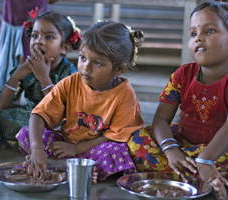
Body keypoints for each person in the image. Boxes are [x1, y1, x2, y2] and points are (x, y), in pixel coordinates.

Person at [127, 2, 228, 200]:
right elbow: (161, 120)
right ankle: (203, 175)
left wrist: (206, 159)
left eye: (210, 30)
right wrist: (171, 150)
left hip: (223, 151)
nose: (198, 38)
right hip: (183, 146)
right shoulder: (182, 75)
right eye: (193, 33)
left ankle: (191, 174)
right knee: (136, 140)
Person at [15, 20, 145, 182]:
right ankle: (71, 168)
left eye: (97, 63)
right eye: (83, 57)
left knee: (117, 152)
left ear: (119, 69)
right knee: (27, 133)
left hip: (96, 149)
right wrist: (37, 150)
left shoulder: (125, 94)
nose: (85, 67)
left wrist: (76, 148)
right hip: (63, 144)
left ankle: (64, 167)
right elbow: (39, 115)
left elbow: (115, 136)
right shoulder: (70, 83)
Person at [0, 10, 80, 148]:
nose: (39, 42)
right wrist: (16, 76)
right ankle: (26, 140)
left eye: (48, 37)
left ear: (64, 48)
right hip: (30, 118)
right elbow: (1, 107)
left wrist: (43, 78)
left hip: (56, 123)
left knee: (65, 127)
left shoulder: (70, 73)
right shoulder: (27, 68)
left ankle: (21, 140)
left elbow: (62, 113)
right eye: (35, 35)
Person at [0, 0, 59, 91]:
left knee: (36, 49)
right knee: (9, 64)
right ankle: (7, 96)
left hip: (36, 8)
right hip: (12, 12)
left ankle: (35, 94)